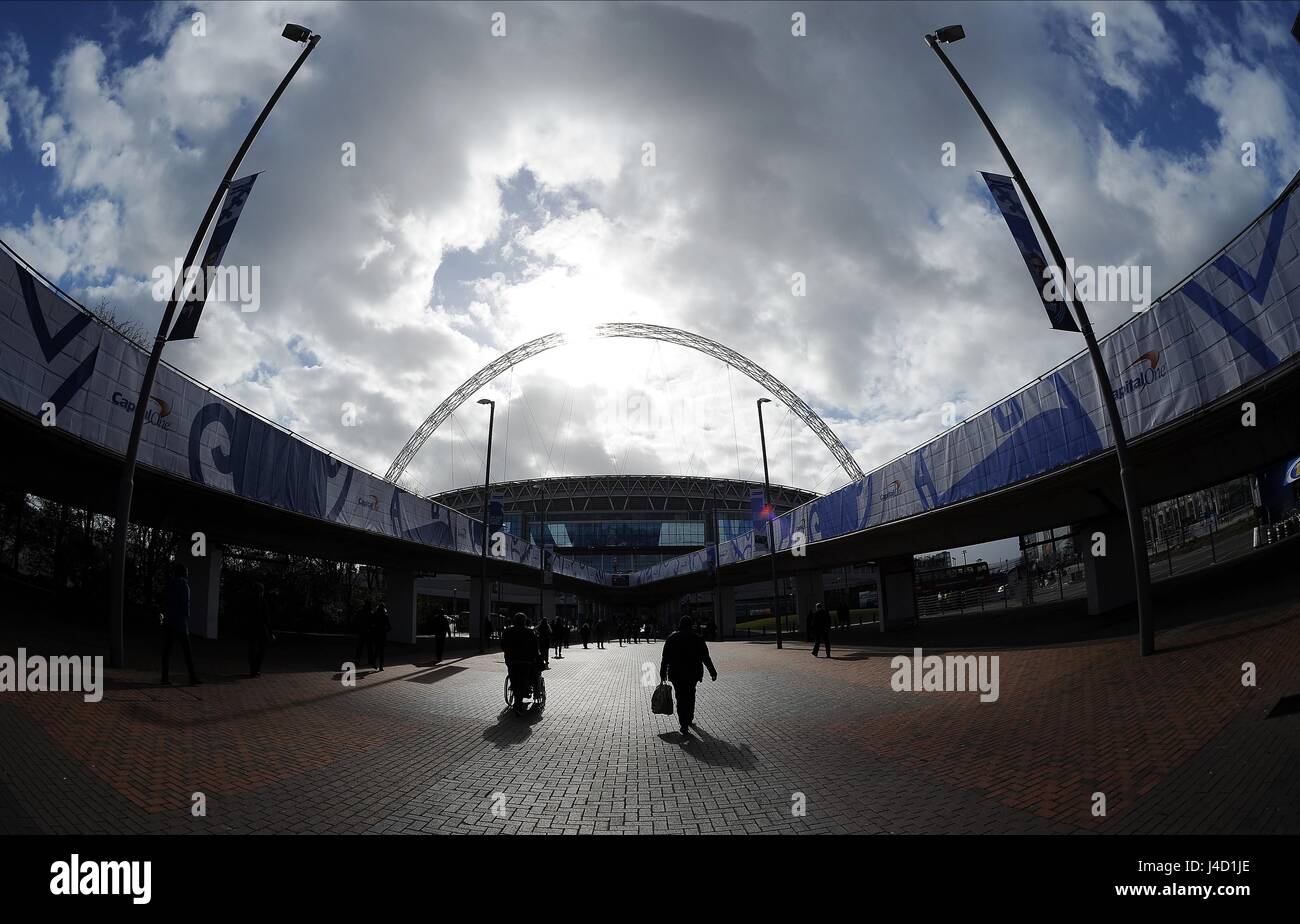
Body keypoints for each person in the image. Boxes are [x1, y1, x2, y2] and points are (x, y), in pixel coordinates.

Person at [660, 616, 716, 737]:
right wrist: (712, 671)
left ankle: (683, 724)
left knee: (680, 698)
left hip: (676, 673)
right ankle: (689, 718)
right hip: (692, 673)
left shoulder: (672, 638)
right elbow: (705, 657)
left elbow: (665, 657)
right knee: (690, 695)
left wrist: (662, 672)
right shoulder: (697, 638)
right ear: (691, 625)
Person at [160, 561, 201, 686]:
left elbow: (164, 600)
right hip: (180, 622)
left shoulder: (170, 583)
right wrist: (186, 617)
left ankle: (164, 677)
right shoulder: (184, 585)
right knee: (187, 651)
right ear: (183, 573)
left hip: (169, 620)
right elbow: (185, 603)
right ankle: (192, 677)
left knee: (167, 650)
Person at [501, 613, 541, 707]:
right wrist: (536, 657)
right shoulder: (529, 632)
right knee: (524, 679)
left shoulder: (507, 631)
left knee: (513, 677)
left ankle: (515, 692)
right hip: (526, 660)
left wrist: (508, 652)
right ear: (524, 621)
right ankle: (520, 699)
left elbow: (503, 645)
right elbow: (535, 647)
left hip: (511, 660)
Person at [246, 582, 273, 677]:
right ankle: (256, 669)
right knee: (260, 650)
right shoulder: (262, 601)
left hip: (252, 629)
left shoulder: (250, 601)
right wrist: (270, 631)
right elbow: (267, 618)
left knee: (253, 650)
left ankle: (253, 670)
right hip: (260, 629)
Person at [371, 603, 393, 671]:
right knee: (382, 652)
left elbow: (372, 625)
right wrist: (385, 630)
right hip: (383, 635)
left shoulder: (375, 615)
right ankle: (381, 666)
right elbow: (389, 627)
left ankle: (374, 663)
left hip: (376, 635)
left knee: (376, 650)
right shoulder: (385, 616)